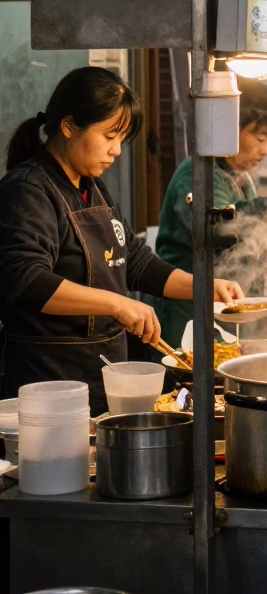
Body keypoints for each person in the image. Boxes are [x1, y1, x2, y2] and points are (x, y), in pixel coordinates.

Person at [0, 67, 243, 414]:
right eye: (109, 136)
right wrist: (117, 304)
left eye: (121, 139)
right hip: (47, 389)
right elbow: (24, 281)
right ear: (68, 127)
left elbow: (136, 263)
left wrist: (205, 286)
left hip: (104, 380)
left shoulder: (91, 186)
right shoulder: (28, 190)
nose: (116, 151)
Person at [153, 80, 267, 348]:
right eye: (260, 138)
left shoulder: (240, 177)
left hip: (235, 321)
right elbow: (218, 227)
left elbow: (255, 236)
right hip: (193, 323)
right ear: (229, 129)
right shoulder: (197, 174)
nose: (265, 150)